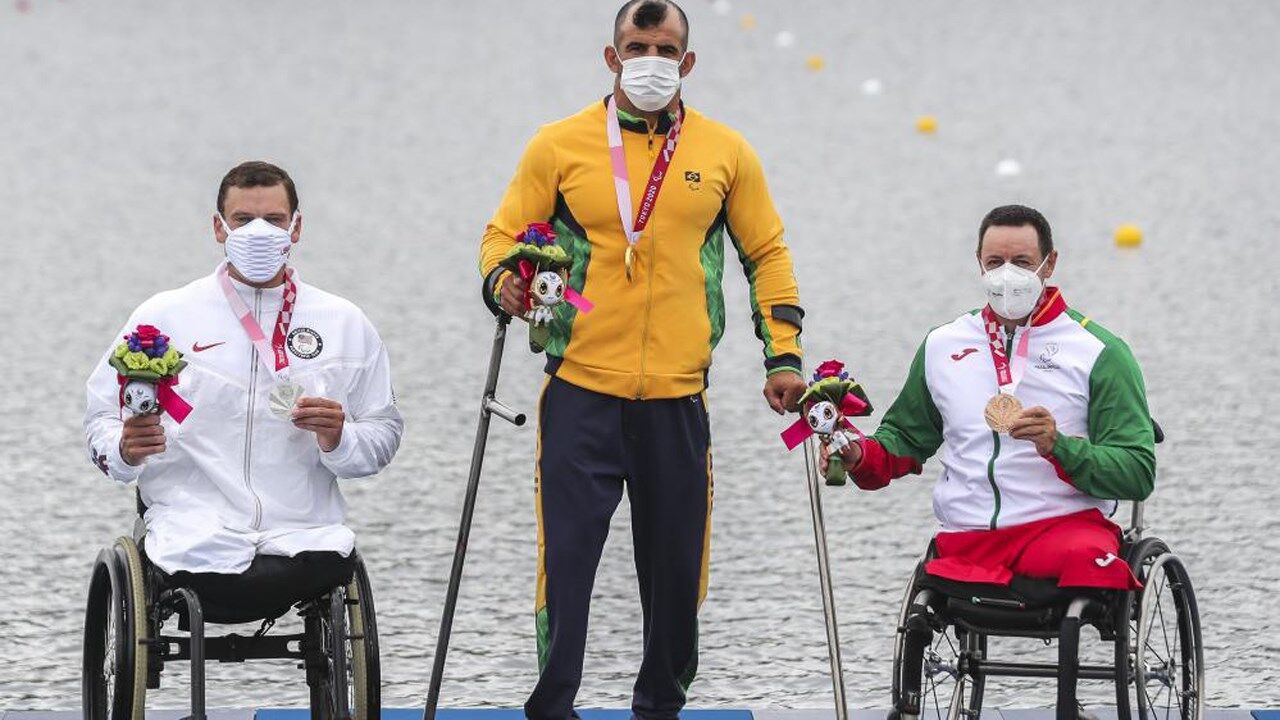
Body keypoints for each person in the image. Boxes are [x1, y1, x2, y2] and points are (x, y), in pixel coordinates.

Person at [478, 1, 807, 716]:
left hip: (676, 397)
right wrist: (503, 280)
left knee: (675, 572)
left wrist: (783, 356)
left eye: (665, 50)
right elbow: (502, 237)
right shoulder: (558, 145)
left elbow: (767, 255)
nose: (650, 61)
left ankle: (660, 706)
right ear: (612, 56)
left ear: (687, 62)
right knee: (566, 567)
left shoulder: (725, 151)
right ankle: (552, 706)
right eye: (637, 47)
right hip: (580, 392)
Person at [821, 204, 1156, 715]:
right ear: (978, 263)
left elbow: (1137, 471)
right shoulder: (942, 345)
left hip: (1062, 531)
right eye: (995, 261)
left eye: (1022, 261)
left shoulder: (1101, 352)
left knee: (1085, 568)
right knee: (924, 600)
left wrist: (1059, 446)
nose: (1007, 275)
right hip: (969, 537)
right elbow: (902, 440)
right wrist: (855, 452)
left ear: (1049, 264)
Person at [84, 161, 403, 622]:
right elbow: (100, 418)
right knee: (196, 550)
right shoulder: (163, 319)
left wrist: (340, 438)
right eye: (243, 219)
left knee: (329, 555)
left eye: (273, 220)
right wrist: (123, 449)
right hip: (193, 532)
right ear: (219, 227)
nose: (258, 232)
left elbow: (384, 433)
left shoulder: (344, 323)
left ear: (296, 228)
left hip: (304, 534)